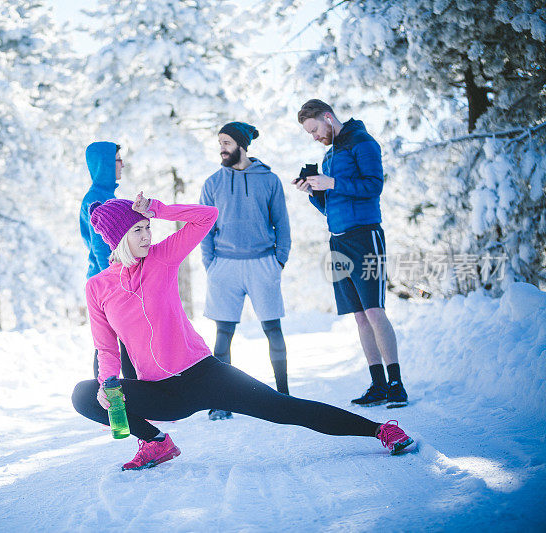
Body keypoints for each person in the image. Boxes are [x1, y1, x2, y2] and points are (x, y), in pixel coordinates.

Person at [71, 192, 415, 471]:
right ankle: (156, 443)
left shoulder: (162, 258)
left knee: (283, 409)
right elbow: (107, 349)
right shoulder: (98, 288)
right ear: (119, 238)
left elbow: (207, 215)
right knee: (84, 395)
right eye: (138, 230)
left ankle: (380, 431)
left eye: (148, 228)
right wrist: (107, 386)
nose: (148, 235)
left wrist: (159, 210)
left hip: (203, 375)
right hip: (158, 392)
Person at [294, 99, 408, 408]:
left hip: (365, 236)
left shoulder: (363, 142)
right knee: (358, 316)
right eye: (309, 133)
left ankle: (397, 383)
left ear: (328, 118)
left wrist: (332, 181)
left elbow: (374, 186)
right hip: (339, 242)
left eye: (315, 129)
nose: (315, 136)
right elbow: (332, 205)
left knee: (373, 310)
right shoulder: (330, 155)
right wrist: (315, 194)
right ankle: (378, 384)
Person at [199, 122, 291, 421]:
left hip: (262, 262)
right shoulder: (213, 183)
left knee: (273, 330)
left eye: (226, 142)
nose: (221, 148)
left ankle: (284, 397)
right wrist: (210, 265)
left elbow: (282, 223)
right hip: (224, 265)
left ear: (241, 145)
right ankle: (220, 401)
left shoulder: (269, 180)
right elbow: (203, 228)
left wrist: (279, 260)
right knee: (223, 333)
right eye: (220, 143)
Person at [79, 142, 135, 379]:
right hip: (108, 282)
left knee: (117, 342)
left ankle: (120, 400)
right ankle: (110, 400)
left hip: (106, 279)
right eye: (117, 159)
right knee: (115, 344)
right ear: (104, 164)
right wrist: (117, 283)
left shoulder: (106, 195)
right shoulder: (97, 199)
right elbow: (103, 249)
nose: (122, 164)